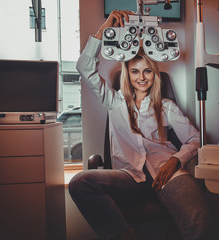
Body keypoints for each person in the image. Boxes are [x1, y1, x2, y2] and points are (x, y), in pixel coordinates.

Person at [69, 10, 211, 240]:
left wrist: (175, 160)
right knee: (80, 183)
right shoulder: (113, 101)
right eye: (135, 71)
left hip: (167, 173)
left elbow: (195, 139)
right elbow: (84, 67)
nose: (141, 77)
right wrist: (104, 29)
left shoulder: (166, 106)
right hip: (129, 177)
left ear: (155, 75)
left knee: (199, 221)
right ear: (127, 74)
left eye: (147, 71)